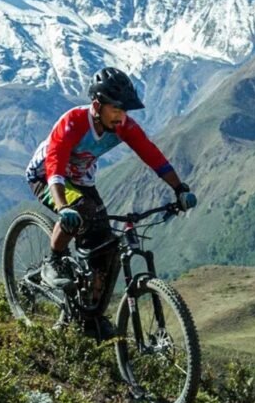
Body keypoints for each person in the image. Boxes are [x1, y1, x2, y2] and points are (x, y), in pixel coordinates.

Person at [25, 66, 196, 337]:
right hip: (46, 176)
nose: (122, 116)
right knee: (81, 209)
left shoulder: (123, 125)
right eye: (116, 109)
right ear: (97, 105)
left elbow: (151, 155)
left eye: (125, 110)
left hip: (82, 181)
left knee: (106, 246)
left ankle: (89, 315)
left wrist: (179, 189)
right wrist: (63, 207)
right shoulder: (73, 122)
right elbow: (55, 167)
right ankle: (53, 260)